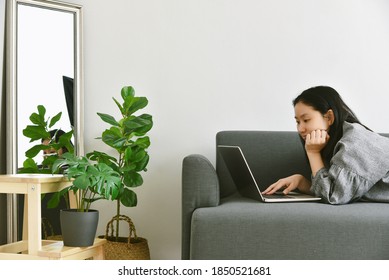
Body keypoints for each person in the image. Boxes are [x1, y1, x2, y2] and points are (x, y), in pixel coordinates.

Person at [262, 86, 389, 204]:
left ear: (329, 117)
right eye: (297, 122)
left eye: (306, 120)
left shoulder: (355, 142)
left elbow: (334, 196)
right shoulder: (336, 143)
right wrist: (301, 181)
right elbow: (333, 188)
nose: (300, 129)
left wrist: (313, 153)